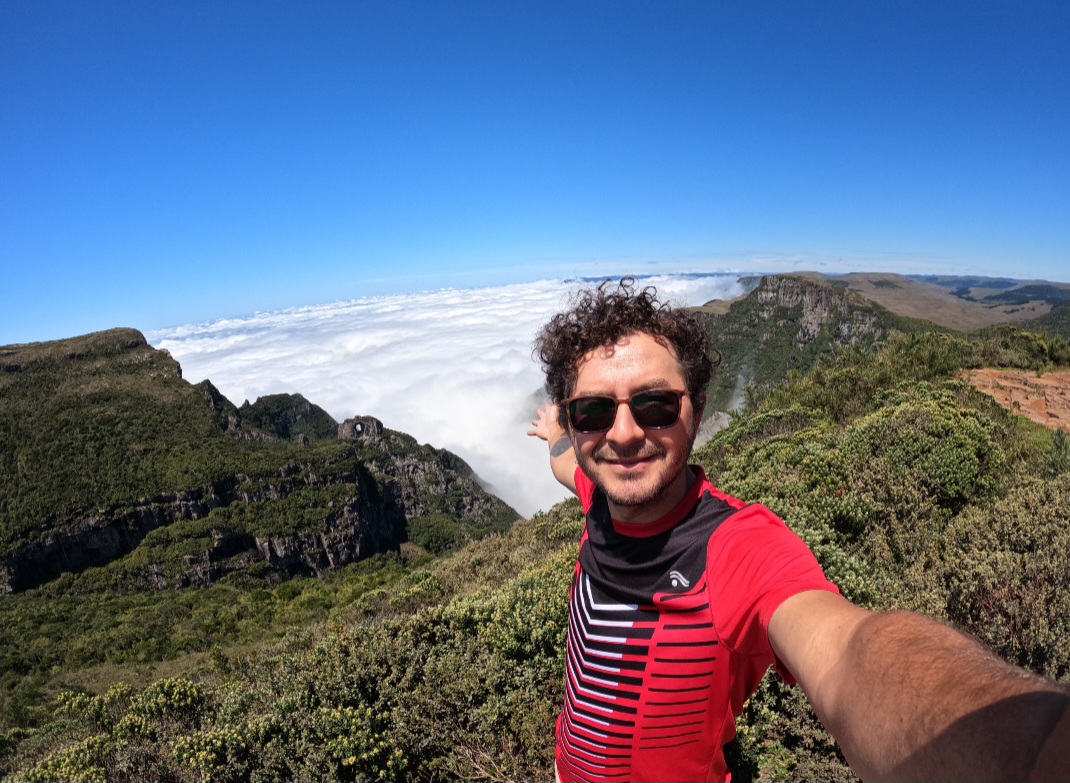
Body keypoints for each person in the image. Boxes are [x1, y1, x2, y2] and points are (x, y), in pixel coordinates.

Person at [527, 278, 1069, 782]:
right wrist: (555, 431)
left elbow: (846, 654)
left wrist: (1038, 749)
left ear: (698, 411)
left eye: (655, 404)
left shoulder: (735, 547)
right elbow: (565, 465)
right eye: (594, 411)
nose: (622, 434)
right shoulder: (601, 494)